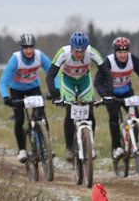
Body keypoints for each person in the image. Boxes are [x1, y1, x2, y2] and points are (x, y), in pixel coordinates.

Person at [46, 31, 113, 162]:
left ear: (86, 49)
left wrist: (109, 93)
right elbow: (50, 75)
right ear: (71, 48)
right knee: (70, 110)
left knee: (90, 111)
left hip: (84, 79)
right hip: (67, 79)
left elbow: (107, 74)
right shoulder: (63, 53)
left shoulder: (92, 53)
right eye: (76, 51)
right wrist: (55, 95)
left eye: (82, 51)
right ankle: (69, 148)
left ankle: (89, 144)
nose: (79, 54)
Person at [0, 32, 53, 163]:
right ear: (21, 48)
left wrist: (55, 90)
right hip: (17, 90)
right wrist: (6, 97)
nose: (29, 51)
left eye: (31, 47)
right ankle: (22, 149)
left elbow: (53, 73)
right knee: (20, 118)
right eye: (26, 48)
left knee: (41, 115)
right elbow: (3, 81)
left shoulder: (40, 56)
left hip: (33, 87)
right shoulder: (15, 59)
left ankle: (45, 146)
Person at [94, 37, 139, 159]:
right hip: (111, 94)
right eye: (120, 52)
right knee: (114, 118)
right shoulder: (109, 62)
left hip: (126, 93)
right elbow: (98, 81)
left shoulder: (133, 60)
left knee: (135, 116)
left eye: (125, 52)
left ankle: (134, 146)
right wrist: (105, 96)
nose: (123, 55)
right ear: (115, 52)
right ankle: (117, 147)